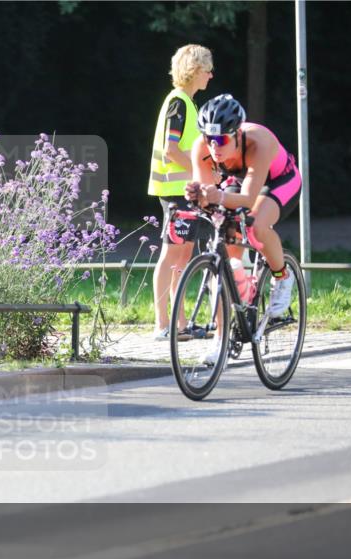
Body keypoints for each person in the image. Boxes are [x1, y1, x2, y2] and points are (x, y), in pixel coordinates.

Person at [185, 93, 302, 363]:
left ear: (237, 134)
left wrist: (216, 196)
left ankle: (282, 276)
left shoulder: (258, 142)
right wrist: (197, 195)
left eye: (221, 140)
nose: (214, 146)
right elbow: (207, 194)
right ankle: (222, 337)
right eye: (209, 138)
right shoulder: (201, 147)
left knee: (257, 225)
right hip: (239, 182)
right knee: (224, 259)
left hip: (279, 181)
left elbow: (248, 199)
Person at [148, 44, 214, 341]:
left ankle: (180, 324)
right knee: (172, 254)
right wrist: (202, 172)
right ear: (194, 70)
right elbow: (172, 150)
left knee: (183, 256)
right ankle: (163, 325)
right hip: (176, 192)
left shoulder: (187, 103)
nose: (211, 75)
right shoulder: (178, 103)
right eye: (207, 69)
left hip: (185, 192)